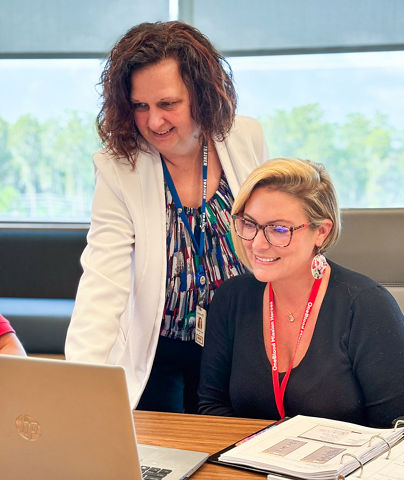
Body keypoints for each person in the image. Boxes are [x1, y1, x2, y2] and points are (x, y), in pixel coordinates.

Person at [65, 21, 268, 413]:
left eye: (168, 104)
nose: (154, 122)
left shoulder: (246, 137)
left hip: (238, 346)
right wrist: (80, 386)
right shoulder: (118, 167)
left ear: (202, 96)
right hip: (161, 348)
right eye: (140, 106)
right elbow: (102, 281)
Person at [198, 158, 404, 427]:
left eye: (279, 229)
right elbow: (211, 408)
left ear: (321, 233)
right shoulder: (232, 299)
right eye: (249, 224)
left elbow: (402, 430)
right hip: (247, 465)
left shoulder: (367, 306)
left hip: (346, 467)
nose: (257, 243)